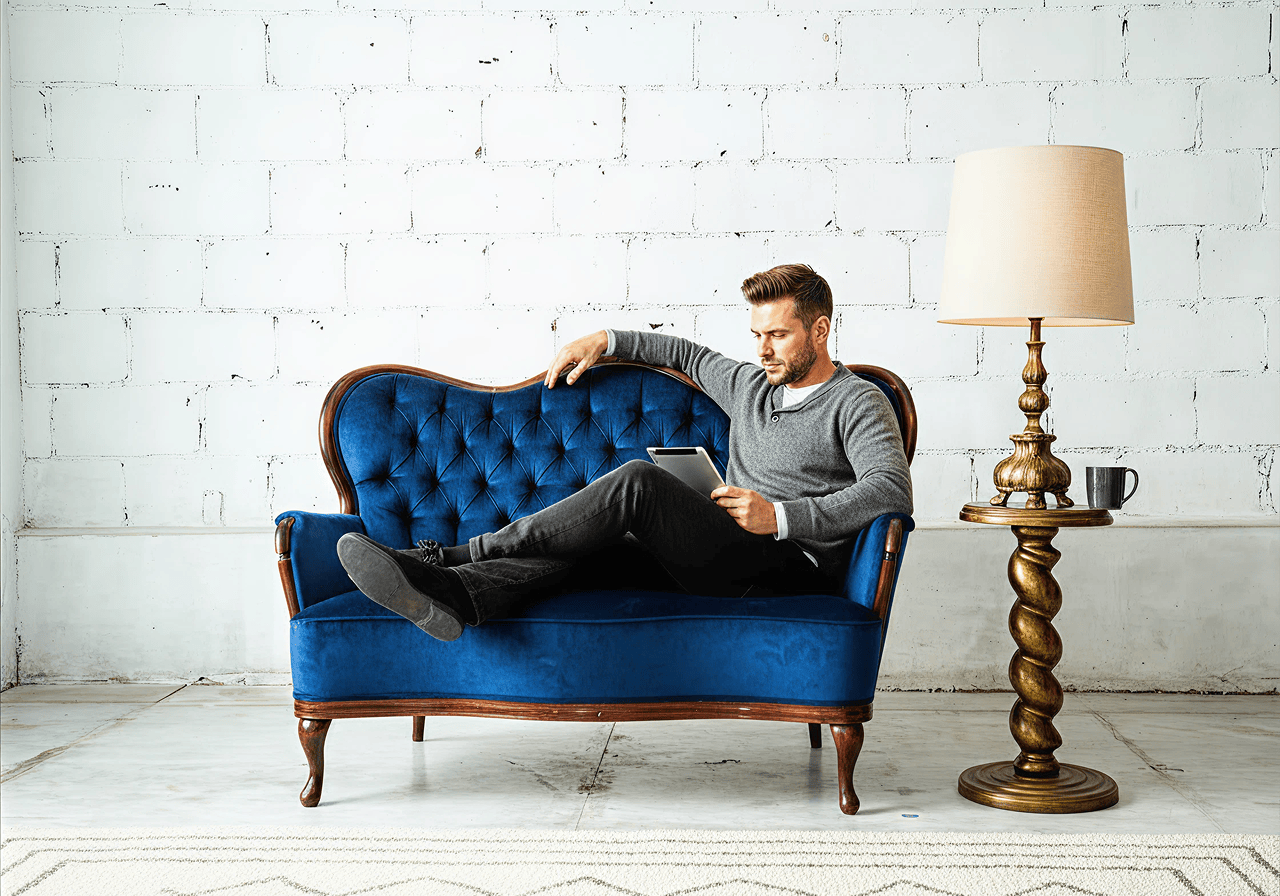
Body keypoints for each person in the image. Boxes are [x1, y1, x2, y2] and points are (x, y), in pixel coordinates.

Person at [336, 263, 913, 641]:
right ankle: (455, 593)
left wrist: (780, 517)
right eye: (756, 334)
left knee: (637, 480)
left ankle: (457, 555)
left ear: (820, 329)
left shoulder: (856, 402)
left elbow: (890, 488)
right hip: (719, 552)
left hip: (790, 568)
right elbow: (682, 353)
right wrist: (604, 340)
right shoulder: (752, 385)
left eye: (778, 335)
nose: (762, 349)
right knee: (588, 545)